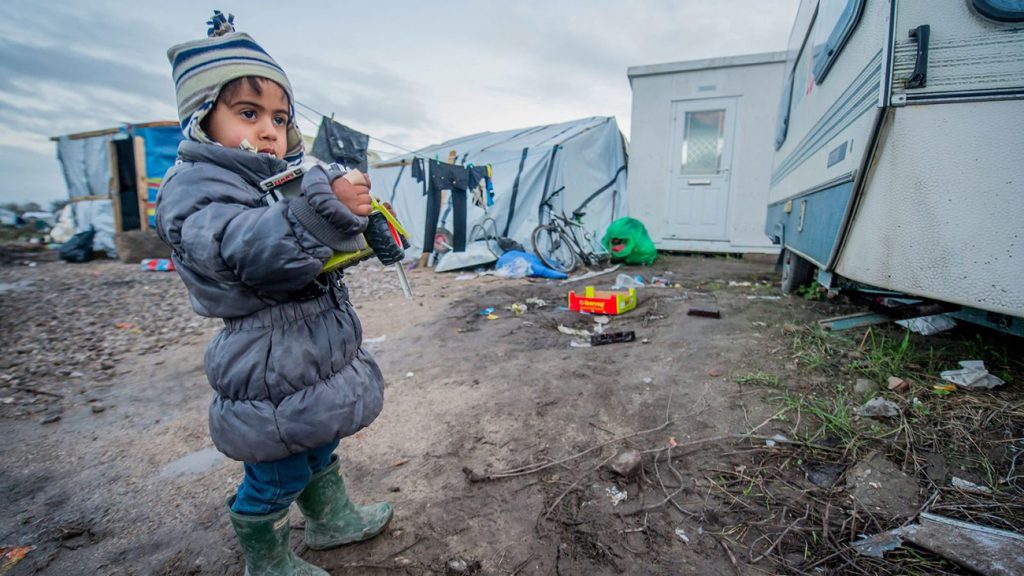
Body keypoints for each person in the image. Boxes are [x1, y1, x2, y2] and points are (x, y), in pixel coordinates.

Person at [156, 11, 393, 575]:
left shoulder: (280, 177)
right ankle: (266, 560)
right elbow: (249, 248)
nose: (269, 129)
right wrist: (317, 209)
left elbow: (306, 248)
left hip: (309, 348)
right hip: (267, 357)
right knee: (277, 468)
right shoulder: (195, 188)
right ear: (201, 118)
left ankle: (331, 521)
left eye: (280, 118)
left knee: (318, 442)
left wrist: (359, 224)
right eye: (247, 113)